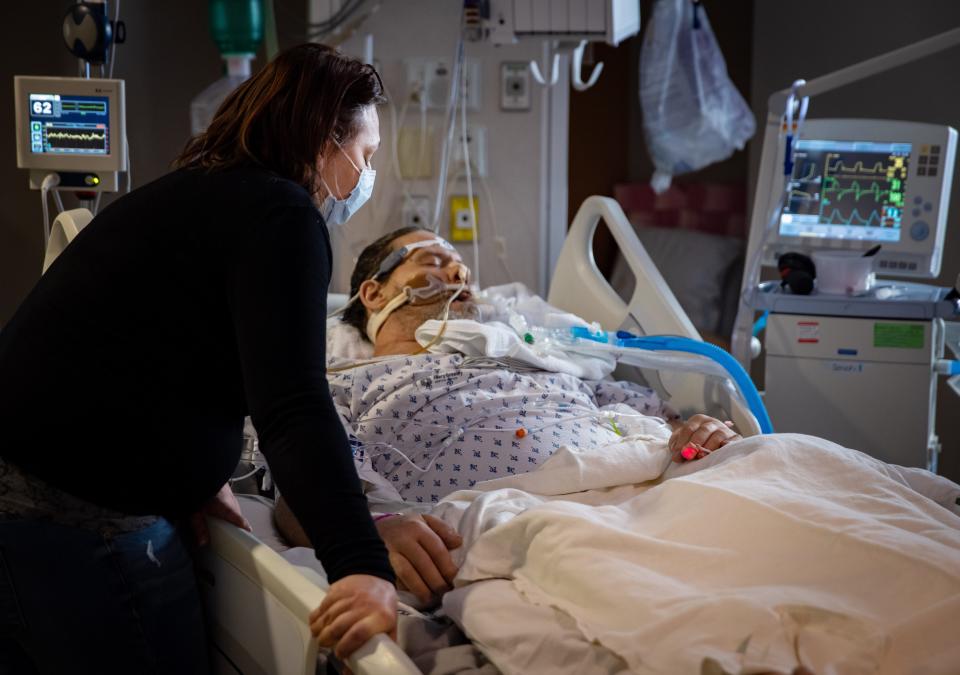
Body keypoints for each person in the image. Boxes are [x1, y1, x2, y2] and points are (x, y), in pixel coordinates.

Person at [0, 44, 397, 674]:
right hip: (67, 508)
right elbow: (292, 407)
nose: (364, 179)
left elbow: (161, 347)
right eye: (366, 157)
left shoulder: (204, 193)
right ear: (327, 139)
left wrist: (190, 476)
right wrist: (362, 567)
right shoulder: (283, 217)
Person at [275, 227, 741, 605]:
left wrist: (700, 429)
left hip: (648, 494)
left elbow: (671, 422)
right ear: (374, 294)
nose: (457, 272)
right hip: (516, 526)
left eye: (460, 266)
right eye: (433, 262)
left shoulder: (536, 359)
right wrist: (371, 531)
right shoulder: (337, 384)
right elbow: (300, 494)